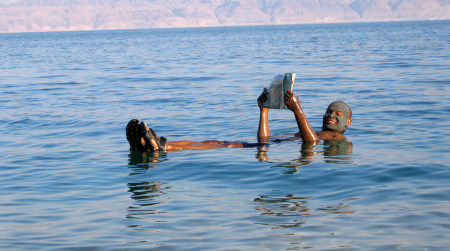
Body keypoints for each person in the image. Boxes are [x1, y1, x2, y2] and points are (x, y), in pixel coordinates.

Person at [126, 89, 352, 153]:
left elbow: (310, 144)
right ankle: (159, 143)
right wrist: (263, 111)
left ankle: (163, 147)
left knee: (226, 145)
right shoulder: (311, 132)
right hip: (269, 146)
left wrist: (298, 111)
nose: (331, 115)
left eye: (338, 114)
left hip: (269, 148)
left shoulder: (335, 137)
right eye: (329, 112)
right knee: (215, 141)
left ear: (348, 123)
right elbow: (264, 139)